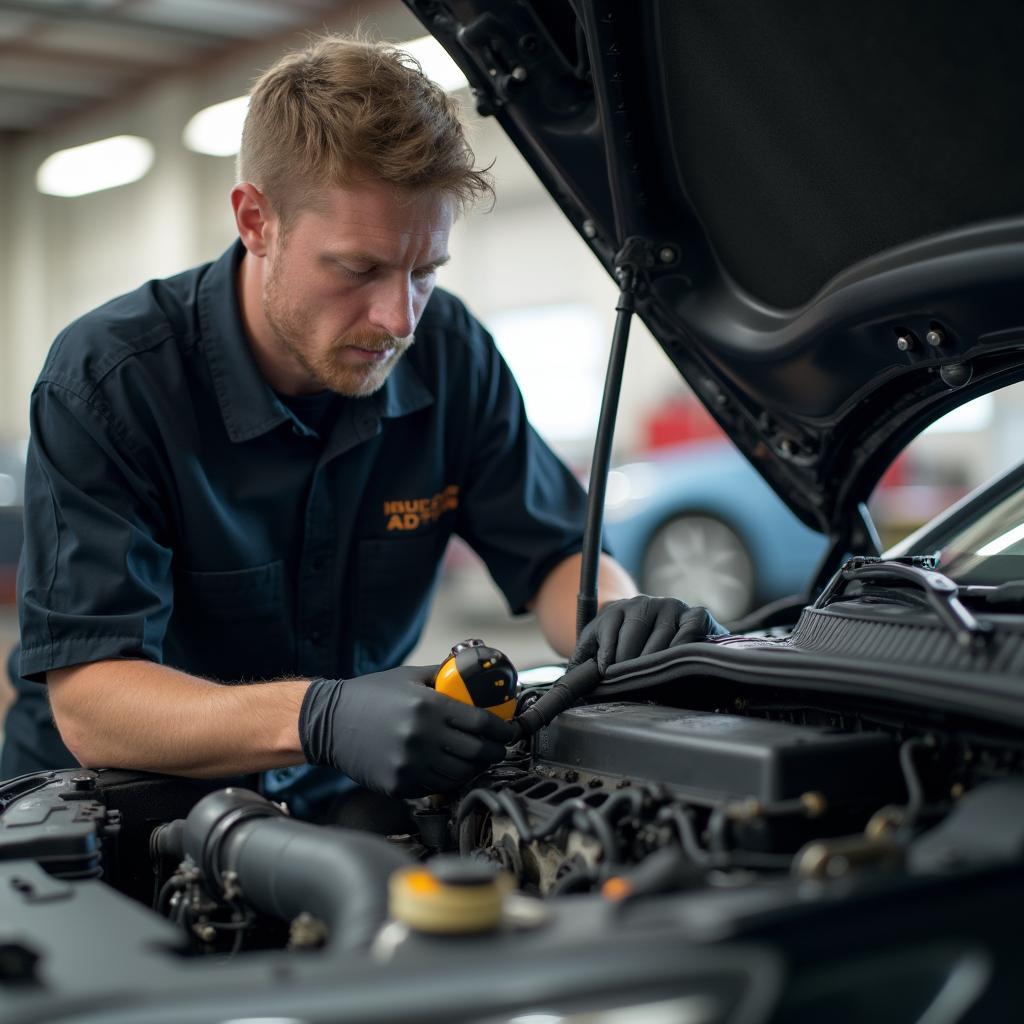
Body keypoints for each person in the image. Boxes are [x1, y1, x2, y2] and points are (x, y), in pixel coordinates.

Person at [2, 35, 722, 804]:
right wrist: (317, 715)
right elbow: (93, 705)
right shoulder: (111, 381)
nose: (398, 318)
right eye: (358, 269)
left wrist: (616, 616)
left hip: (344, 793)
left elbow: (552, 555)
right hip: (106, 816)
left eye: (425, 272)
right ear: (256, 221)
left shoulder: (450, 355)